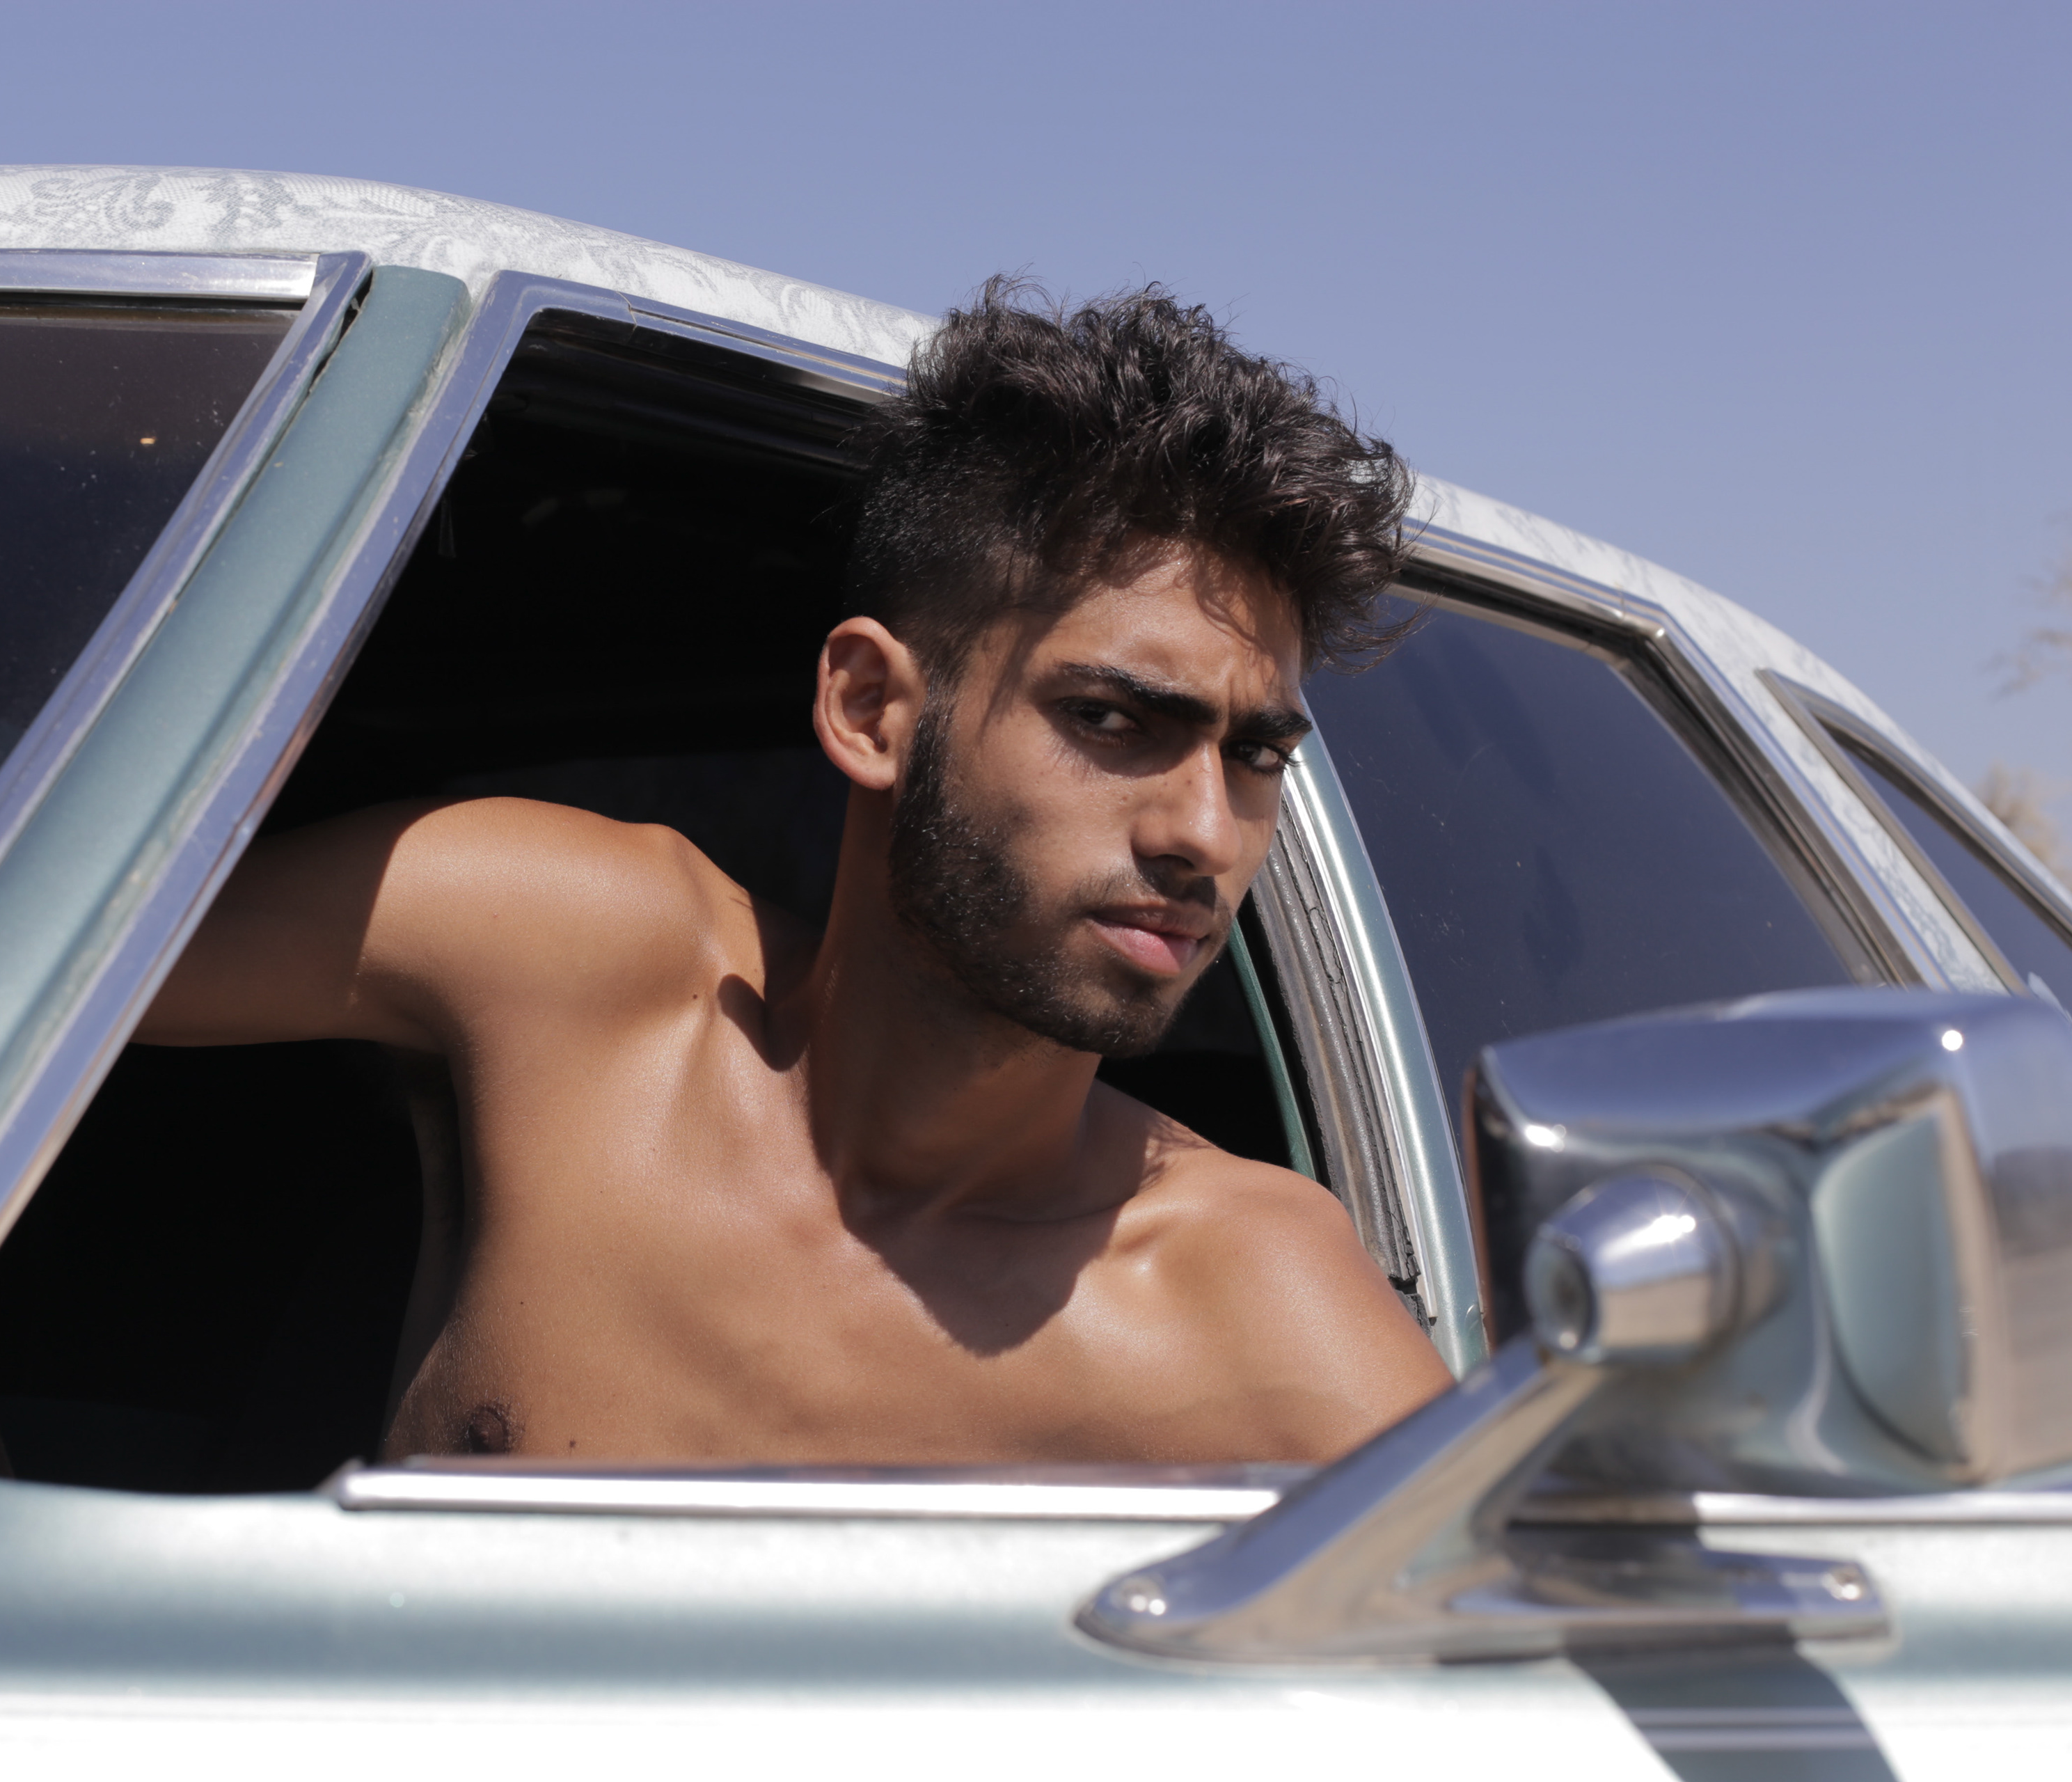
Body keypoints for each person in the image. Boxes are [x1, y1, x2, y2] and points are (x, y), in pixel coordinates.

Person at [139, 283, 1452, 1462]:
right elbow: (24, 967)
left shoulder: (1251, 1299)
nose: (1206, 833)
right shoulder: (571, 957)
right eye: (1113, 720)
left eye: (1255, 756)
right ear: (873, 710)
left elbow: (1536, 1648)